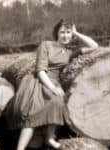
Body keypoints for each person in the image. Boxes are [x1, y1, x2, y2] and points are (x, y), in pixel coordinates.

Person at [6, 19, 99, 150]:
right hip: (38, 80)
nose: (65, 35)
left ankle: (49, 138)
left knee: (58, 102)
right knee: (32, 115)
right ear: (57, 34)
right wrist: (53, 88)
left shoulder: (70, 51)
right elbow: (40, 70)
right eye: (62, 32)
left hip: (55, 82)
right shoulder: (46, 45)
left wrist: (76, 33)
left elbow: (94, 45)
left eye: (68, 32)